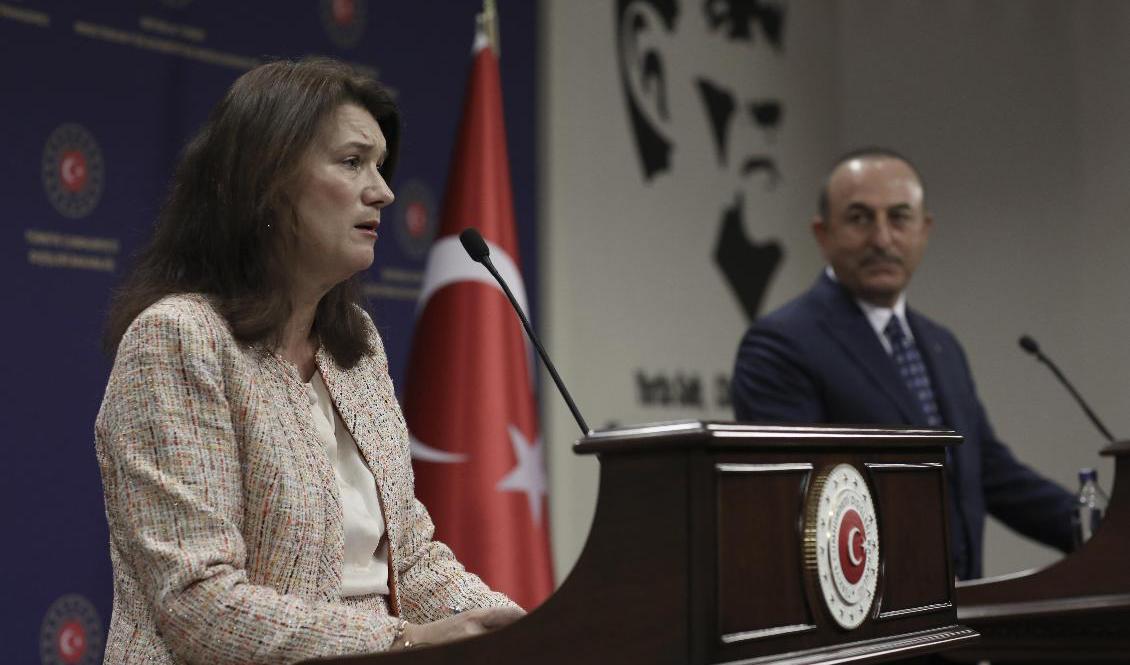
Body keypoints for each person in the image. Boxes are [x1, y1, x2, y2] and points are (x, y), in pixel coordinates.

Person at [96, 58, 524, 664]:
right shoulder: (179, 341)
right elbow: (197, 603)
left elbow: (409, 557)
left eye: (380, 165)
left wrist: (522, 632)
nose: (384, 190)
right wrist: (402, 640)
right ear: (265, 180)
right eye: (353, 163)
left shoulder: (356, 348)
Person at [731, 147, 1077, 580]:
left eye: (898, 217)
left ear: (924, 230)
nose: (881, 239)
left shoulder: (940, 345)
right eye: (859, 218)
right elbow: (799, 501)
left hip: (959, 624)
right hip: (867, 631)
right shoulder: (781, 345)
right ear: (823, 234)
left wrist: (1097, 527)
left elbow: (987, 471)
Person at [615, 0, 787, 321]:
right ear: (650, 64)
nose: (769, 100)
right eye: (735, 24)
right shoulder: (622, 278)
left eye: (772, 28)